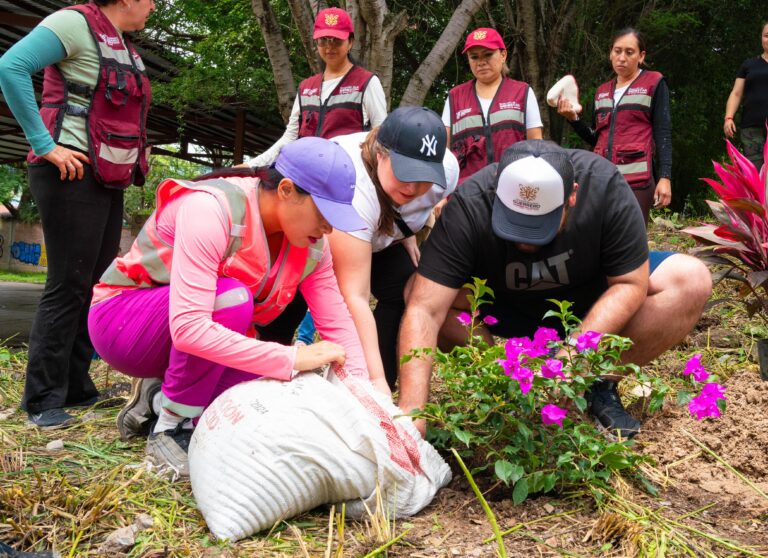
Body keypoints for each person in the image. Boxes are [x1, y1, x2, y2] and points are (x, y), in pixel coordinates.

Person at [88, 137, 385, 477]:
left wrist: (368, 405)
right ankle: (170, 428)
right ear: (286, 190)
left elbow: (339, 326)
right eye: (323, 212)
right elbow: (188, 329)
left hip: (185, 343)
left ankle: (158, 399)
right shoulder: (211, 209)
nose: (329, 227)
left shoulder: (314, 248)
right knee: (232, 299)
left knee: (275, 393)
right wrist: (290, 357)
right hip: (124, 326)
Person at [397, 140, 711, 439]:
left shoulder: (604, 187)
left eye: (539, 224)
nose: (525, 240)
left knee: (690, 279)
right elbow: (425, 308)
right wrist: (413, 415)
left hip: (591, 305)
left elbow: (630, 283)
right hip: (505, 307)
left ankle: (596, 384)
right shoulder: (471, 204)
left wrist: (573, 359)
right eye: (514, 222)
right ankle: (505, 381)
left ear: (571, 196)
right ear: (498, 196)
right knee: (416, 290)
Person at [0, 0, 155, 429]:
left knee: (95, 282)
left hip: (104, 175)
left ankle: (76, 388)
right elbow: (10, 67)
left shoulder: (122, 44)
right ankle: (41, 401)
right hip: (68, 170)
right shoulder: (73, 23)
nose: (155, 6)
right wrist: (43, 143)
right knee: (67, 283)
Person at [246, 7, 387, 168]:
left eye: (336, 39)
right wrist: (251, 166)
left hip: (346, 178)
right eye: (323, 40)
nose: (329, 47)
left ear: (350, 42)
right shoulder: (306, 87)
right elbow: (290, 137)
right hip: (307, 178)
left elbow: (381, 137)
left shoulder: (367, 82)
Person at [557, 28, 671, 225]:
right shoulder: (602, 91)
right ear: (610, 53)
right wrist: (573, 119)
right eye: (617, 51)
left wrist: (665, 177)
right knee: (599, 237)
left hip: (637, 180)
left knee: (632, 240)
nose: (622, 58)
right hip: (602, 178)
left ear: (641, 56)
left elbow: (663, 132)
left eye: (629, 52)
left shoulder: (654, 83)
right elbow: (595, 137)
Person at [443, 27, 543, 186]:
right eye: (474, 57)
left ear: (503, 55)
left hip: (514, 188)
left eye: (488, 54)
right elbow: (444, 153)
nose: (481, 62)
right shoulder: (454, 97)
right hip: (465, 195)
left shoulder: (522, 92)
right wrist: (443, 194)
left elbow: (537, 144)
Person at [724, 21, 768, 170]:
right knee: (755, 173)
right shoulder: (749, 64)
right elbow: (736, 93)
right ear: (761, 38)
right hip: (751, 129)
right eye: (766, 36)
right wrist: (728, 117)